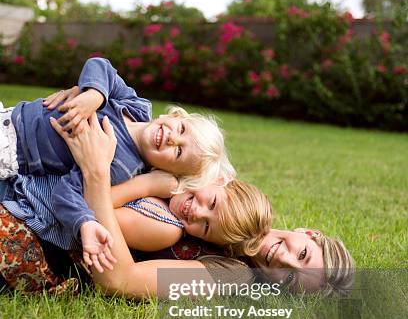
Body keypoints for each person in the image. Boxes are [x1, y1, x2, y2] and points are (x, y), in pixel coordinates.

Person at [46, 113, 354, 298]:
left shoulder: (231, 275)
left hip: (55, 229)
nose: (284, 259)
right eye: (302, 254)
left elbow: (121, 281)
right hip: (59, 170)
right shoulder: (226, 186)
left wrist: (95, 173)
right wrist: (89, 101)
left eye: (290, 277)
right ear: (309, 233)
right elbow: (166, 133)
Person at [0, 58, 234, 259]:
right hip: (13, 114)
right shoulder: (137, 107)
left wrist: (85, 222)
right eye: (182, 130)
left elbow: (68, 192)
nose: (173, 139)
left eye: (179, 152)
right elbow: (102, 66)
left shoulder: (123, 167)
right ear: (173, 115)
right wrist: (94, 94)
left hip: (13, 151)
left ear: (163, 169)